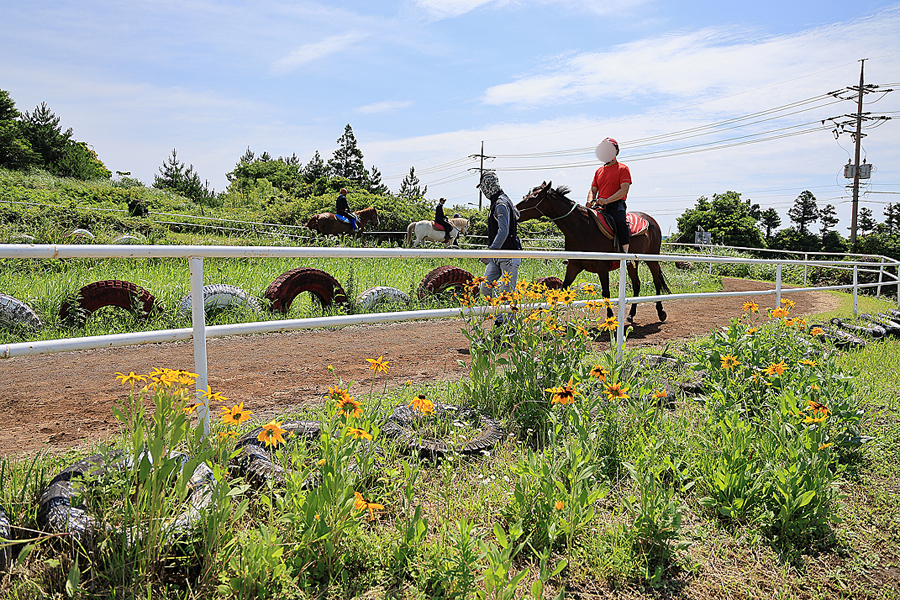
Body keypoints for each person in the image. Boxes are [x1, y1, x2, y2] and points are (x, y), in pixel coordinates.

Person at [475, 171, 522, 329]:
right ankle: (501, 317)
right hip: (498, 255)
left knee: (508, 291)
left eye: (482, 188)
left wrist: (490, 252)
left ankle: (511, 326)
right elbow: (517, 215)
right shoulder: (503, 200)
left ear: (488, 186)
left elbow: (503, 230)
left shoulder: (500, 203)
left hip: (508, 254)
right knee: (485, 286)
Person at [586, 138, 631, 253]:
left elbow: (624, 190)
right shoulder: (598, 171)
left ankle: (625, 254)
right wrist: (589, 201)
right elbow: (593, 189)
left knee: (620, 222)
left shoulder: (623, 169)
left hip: (616, 205)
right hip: (599, 206)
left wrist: (607, 200)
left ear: (616, 151)